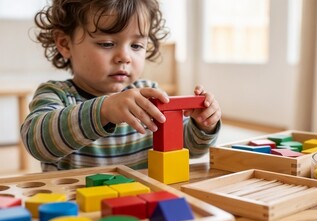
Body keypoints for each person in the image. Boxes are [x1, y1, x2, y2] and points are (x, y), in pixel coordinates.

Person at [20, 0, 221, 171]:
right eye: (107, 44)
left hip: (144, 205)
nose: (124, 57)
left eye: (136, 45)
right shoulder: (56, 94)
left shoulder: (149, 96)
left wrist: (203, 125)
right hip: (77, 211)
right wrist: (104, 110)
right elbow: (36, 143)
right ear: (64, 43)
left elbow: (190, 150)